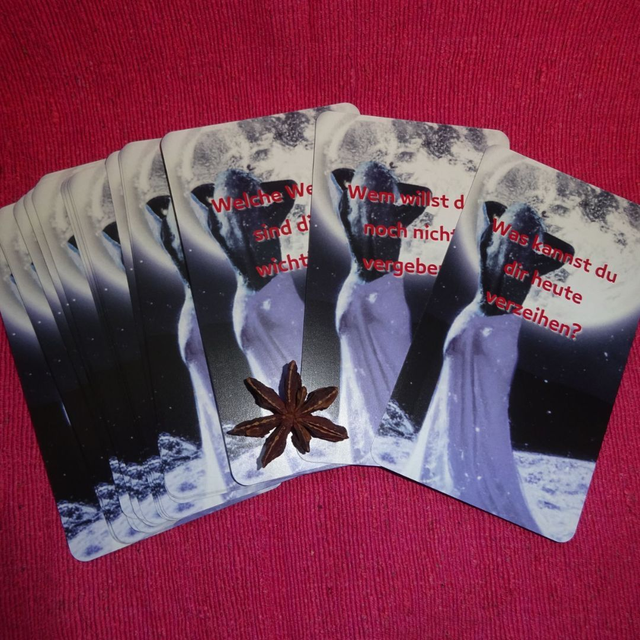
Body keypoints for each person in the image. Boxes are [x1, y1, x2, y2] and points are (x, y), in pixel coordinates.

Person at [405, 201, 573, 532]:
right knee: (487, 409)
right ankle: (471, 470)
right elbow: (566, 253)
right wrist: (537, 235)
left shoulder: (490, 243)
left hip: (468, 324)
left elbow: (488, 207)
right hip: (495, 333)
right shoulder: (533, 261)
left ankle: (450, 464)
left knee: (452, 403)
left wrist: (506, 222)